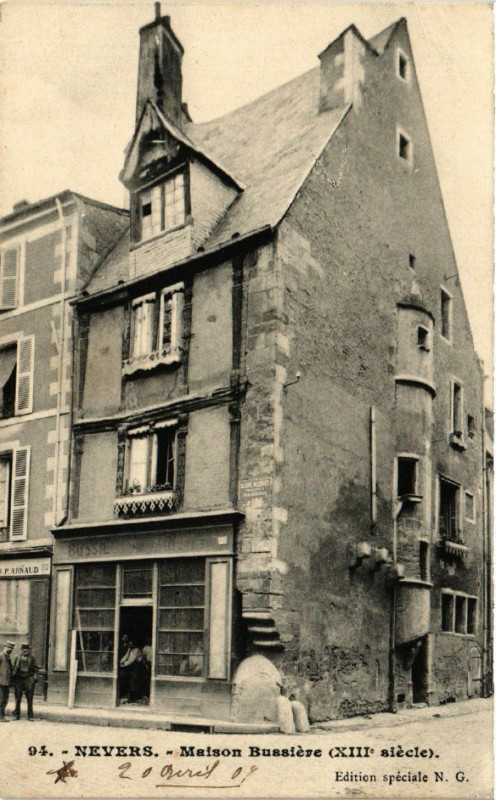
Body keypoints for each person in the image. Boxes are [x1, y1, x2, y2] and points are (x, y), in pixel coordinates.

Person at [12, 643, 39, 721]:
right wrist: (13, 679)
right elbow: (14, 669)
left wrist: (34, 678)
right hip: (19, 679)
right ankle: (16, 715)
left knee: (29, 698)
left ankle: (30, 716)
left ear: (29, 650)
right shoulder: (17, 657)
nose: (25, 651)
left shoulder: (32, 658)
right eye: (24, 649)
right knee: (17, 698)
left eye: (27, 649)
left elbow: (36, 669)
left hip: (28, 679)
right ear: (21, 650)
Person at [0, 641, 14, 722]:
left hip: (6, 683)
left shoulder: (7, 656)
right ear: (6, 647)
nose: (11, 649)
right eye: (9, 648)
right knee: (1, 700)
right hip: (1, 682)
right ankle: (1, 717)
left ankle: (2, 716)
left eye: (11, 648)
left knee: (5, 699)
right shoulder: (1, 655)